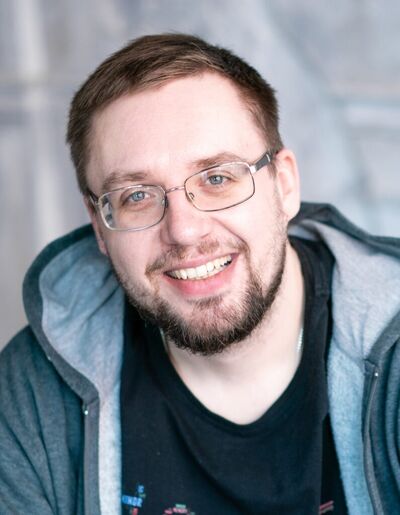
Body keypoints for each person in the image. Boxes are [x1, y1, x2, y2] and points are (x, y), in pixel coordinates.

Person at [0, 33, 399, 515]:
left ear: (285, 185)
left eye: (217, 178)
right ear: (99, 226)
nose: (185, 231)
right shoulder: (31, 392)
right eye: (137, 196)